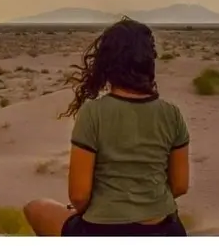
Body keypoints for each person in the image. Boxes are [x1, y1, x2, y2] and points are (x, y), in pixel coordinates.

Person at [23, 17, 190, 237]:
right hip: (165, 229)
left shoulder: (93, 113)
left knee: (35, 208)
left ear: (107, 62)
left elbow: (79, 196)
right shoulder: (172, 114)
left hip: (102, 230)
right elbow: (180, 186)